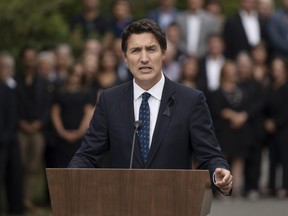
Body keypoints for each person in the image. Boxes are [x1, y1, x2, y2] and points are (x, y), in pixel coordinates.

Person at [68, 19, 233, 195]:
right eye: (135, 50)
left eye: (151, 49)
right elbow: (88, 155)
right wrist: (70, 175)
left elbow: (210, 156)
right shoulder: (109, 101)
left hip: (174, 203)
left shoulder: (191, 100)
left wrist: (219, 173)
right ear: (125, 57)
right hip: (122, 203)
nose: (144, 58)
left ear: (164, 53)